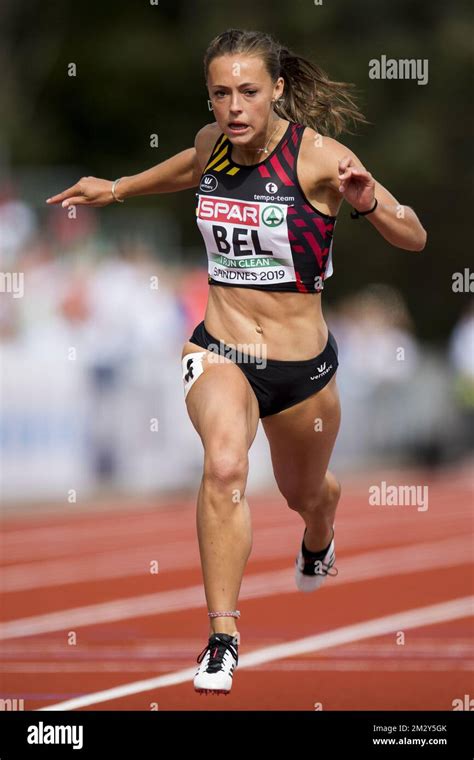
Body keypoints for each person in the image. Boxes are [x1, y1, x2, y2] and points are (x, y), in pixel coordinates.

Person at [46, 28, 427, 696]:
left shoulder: (318, 158)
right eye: (220, 93)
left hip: (302, 369)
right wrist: (115, 189)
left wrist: (367, 201)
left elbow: (414, 234)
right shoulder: (209, 144)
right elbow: (186, 170)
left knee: (305, 493)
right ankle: (223, 637)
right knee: (224, 467)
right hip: (220, 347)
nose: (233, 106)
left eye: (248, 91)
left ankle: (320, 529)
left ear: (277, 89)